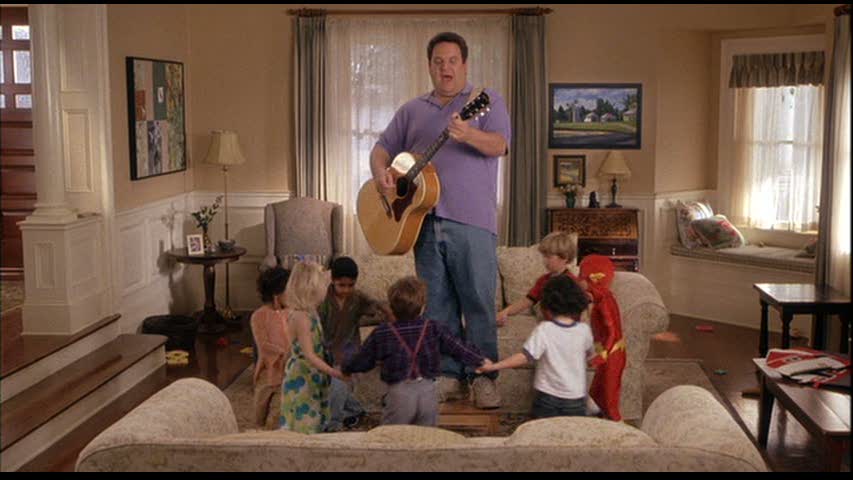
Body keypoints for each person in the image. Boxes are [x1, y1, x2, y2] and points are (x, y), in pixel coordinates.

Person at [370, 31, 511, 408]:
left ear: (464, 64)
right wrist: (381, 174)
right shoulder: (412, 109)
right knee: (437, 307)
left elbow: (500, 145)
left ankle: (484, 377)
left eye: (452, 61)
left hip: (473, 220)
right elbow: (381, 148)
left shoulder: (487, 101)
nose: (445, 68)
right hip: (422, 221)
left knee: (479, 303)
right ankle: (448, 373)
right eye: (438, 61)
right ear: (429, 65)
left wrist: (467, 134)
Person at [342, 276, 489, 426]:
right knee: (426, 439)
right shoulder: (433, 328)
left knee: (391, 439)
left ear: (391, 307)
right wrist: (480, 360)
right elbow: (457, 347)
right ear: (423, 306)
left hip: (399, 394)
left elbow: (363, 360)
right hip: (428, 392)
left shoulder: (382, 333)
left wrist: (346, 365)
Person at [478, 275, 593, 419]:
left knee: (540, 435)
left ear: (548, 303)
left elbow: (524, 357)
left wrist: (494, 366)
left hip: (548, 399)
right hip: (576, 399)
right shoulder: (584, 331)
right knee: (571, 437)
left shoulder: (545, 329)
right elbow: (590, 356)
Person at [318, 256, 386, 430]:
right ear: (333, 281)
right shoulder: (322, 298)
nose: (346, 290)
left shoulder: (358, 297)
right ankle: (356, 411)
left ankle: (333, 424)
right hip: (325, 350)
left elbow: (378, 306)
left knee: (339, 384)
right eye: (341, 285)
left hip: (349, 351)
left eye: (351, 285)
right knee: (329, 392)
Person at [279, 261, 346, 433]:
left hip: (314, 373)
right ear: (312, 290)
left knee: (317, 413)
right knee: (305, 420)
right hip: (303, 375)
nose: (326, 291)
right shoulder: (301, 318)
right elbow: (309, 354)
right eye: (323, 287)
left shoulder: (311, 311)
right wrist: (334, 372)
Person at [496, 231, 581, 327]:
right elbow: (526, 302)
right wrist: (505, 312)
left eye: (548, 257)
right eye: (544, 256)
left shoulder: (573, 283)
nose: (544, 260)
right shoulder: (543, 281)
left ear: (564, 257)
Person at [579, 255, 626, 421]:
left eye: (582, 277)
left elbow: (612, 332)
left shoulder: (604, 302)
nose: (579, 281)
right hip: (605, 351)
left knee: (609, 391)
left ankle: (616, 424)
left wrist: (602, 355)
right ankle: (596, 414)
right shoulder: (599, 300)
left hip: (611, 353)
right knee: (598, 388)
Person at [250, 267, 291, 428]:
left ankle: (275, 434)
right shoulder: (259, 316)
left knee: (279, 412)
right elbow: (264, 345)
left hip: (287, 370)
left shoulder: (292, 312)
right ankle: (257, 434)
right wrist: (284, 352)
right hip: (267, 371)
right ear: (277, 295)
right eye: (289, 291)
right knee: (259, 411)